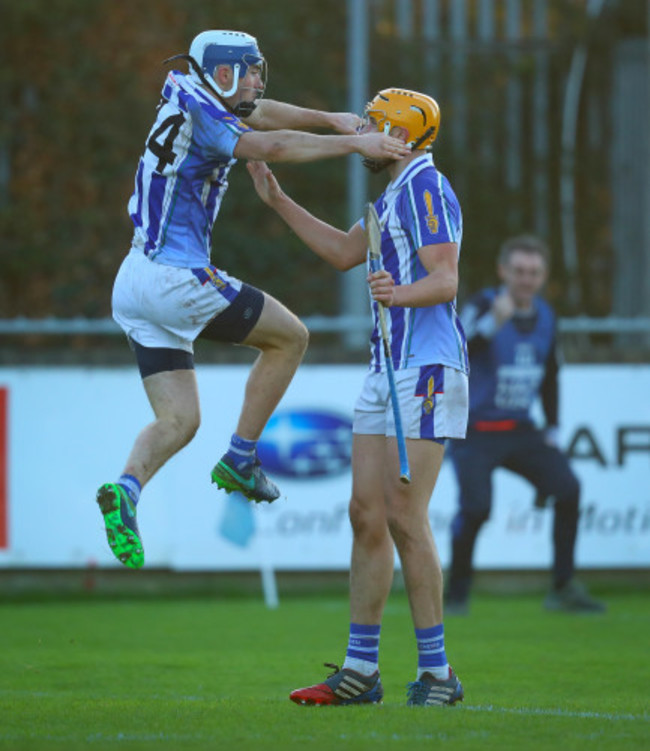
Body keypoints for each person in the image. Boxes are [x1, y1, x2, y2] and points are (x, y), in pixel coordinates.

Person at [96, 30, 410, 570]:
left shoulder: (184, 88)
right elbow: (272, 145)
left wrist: (332, 118)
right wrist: (354, 142)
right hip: (176, 278)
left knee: (180, 421)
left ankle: (126, 488)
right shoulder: (208, 119)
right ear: (222, 74)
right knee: (291, 338)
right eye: (251, 70)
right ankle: (241, 457)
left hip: (133, 281)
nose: (259, 81)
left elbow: (260, 112)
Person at [248, 88, 469, 707]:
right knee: (364, 515)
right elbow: (347, 253)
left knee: (404, 514)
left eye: (376, 126)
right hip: (385, 368)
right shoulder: (393, 195)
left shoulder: (425, 187)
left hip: (424, 367)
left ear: (400, 134)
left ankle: (437, 675)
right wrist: (279, 200)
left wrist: (397, 295)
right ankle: (360, 671)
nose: (367, 135)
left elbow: (446, 278)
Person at [445, 235, 606, 614]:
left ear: (543, 276)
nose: (525, 280)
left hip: (520, 429)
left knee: (568, 489)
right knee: (477, 509)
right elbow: (456, 351)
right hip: (475, 431)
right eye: (518, 271)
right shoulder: (484, 305)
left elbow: (550, 374)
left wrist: (552, 427)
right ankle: (455, 595)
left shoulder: (547, 316)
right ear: (503, 271)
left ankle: (563, 587)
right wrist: (491, 324)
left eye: (533, 273)